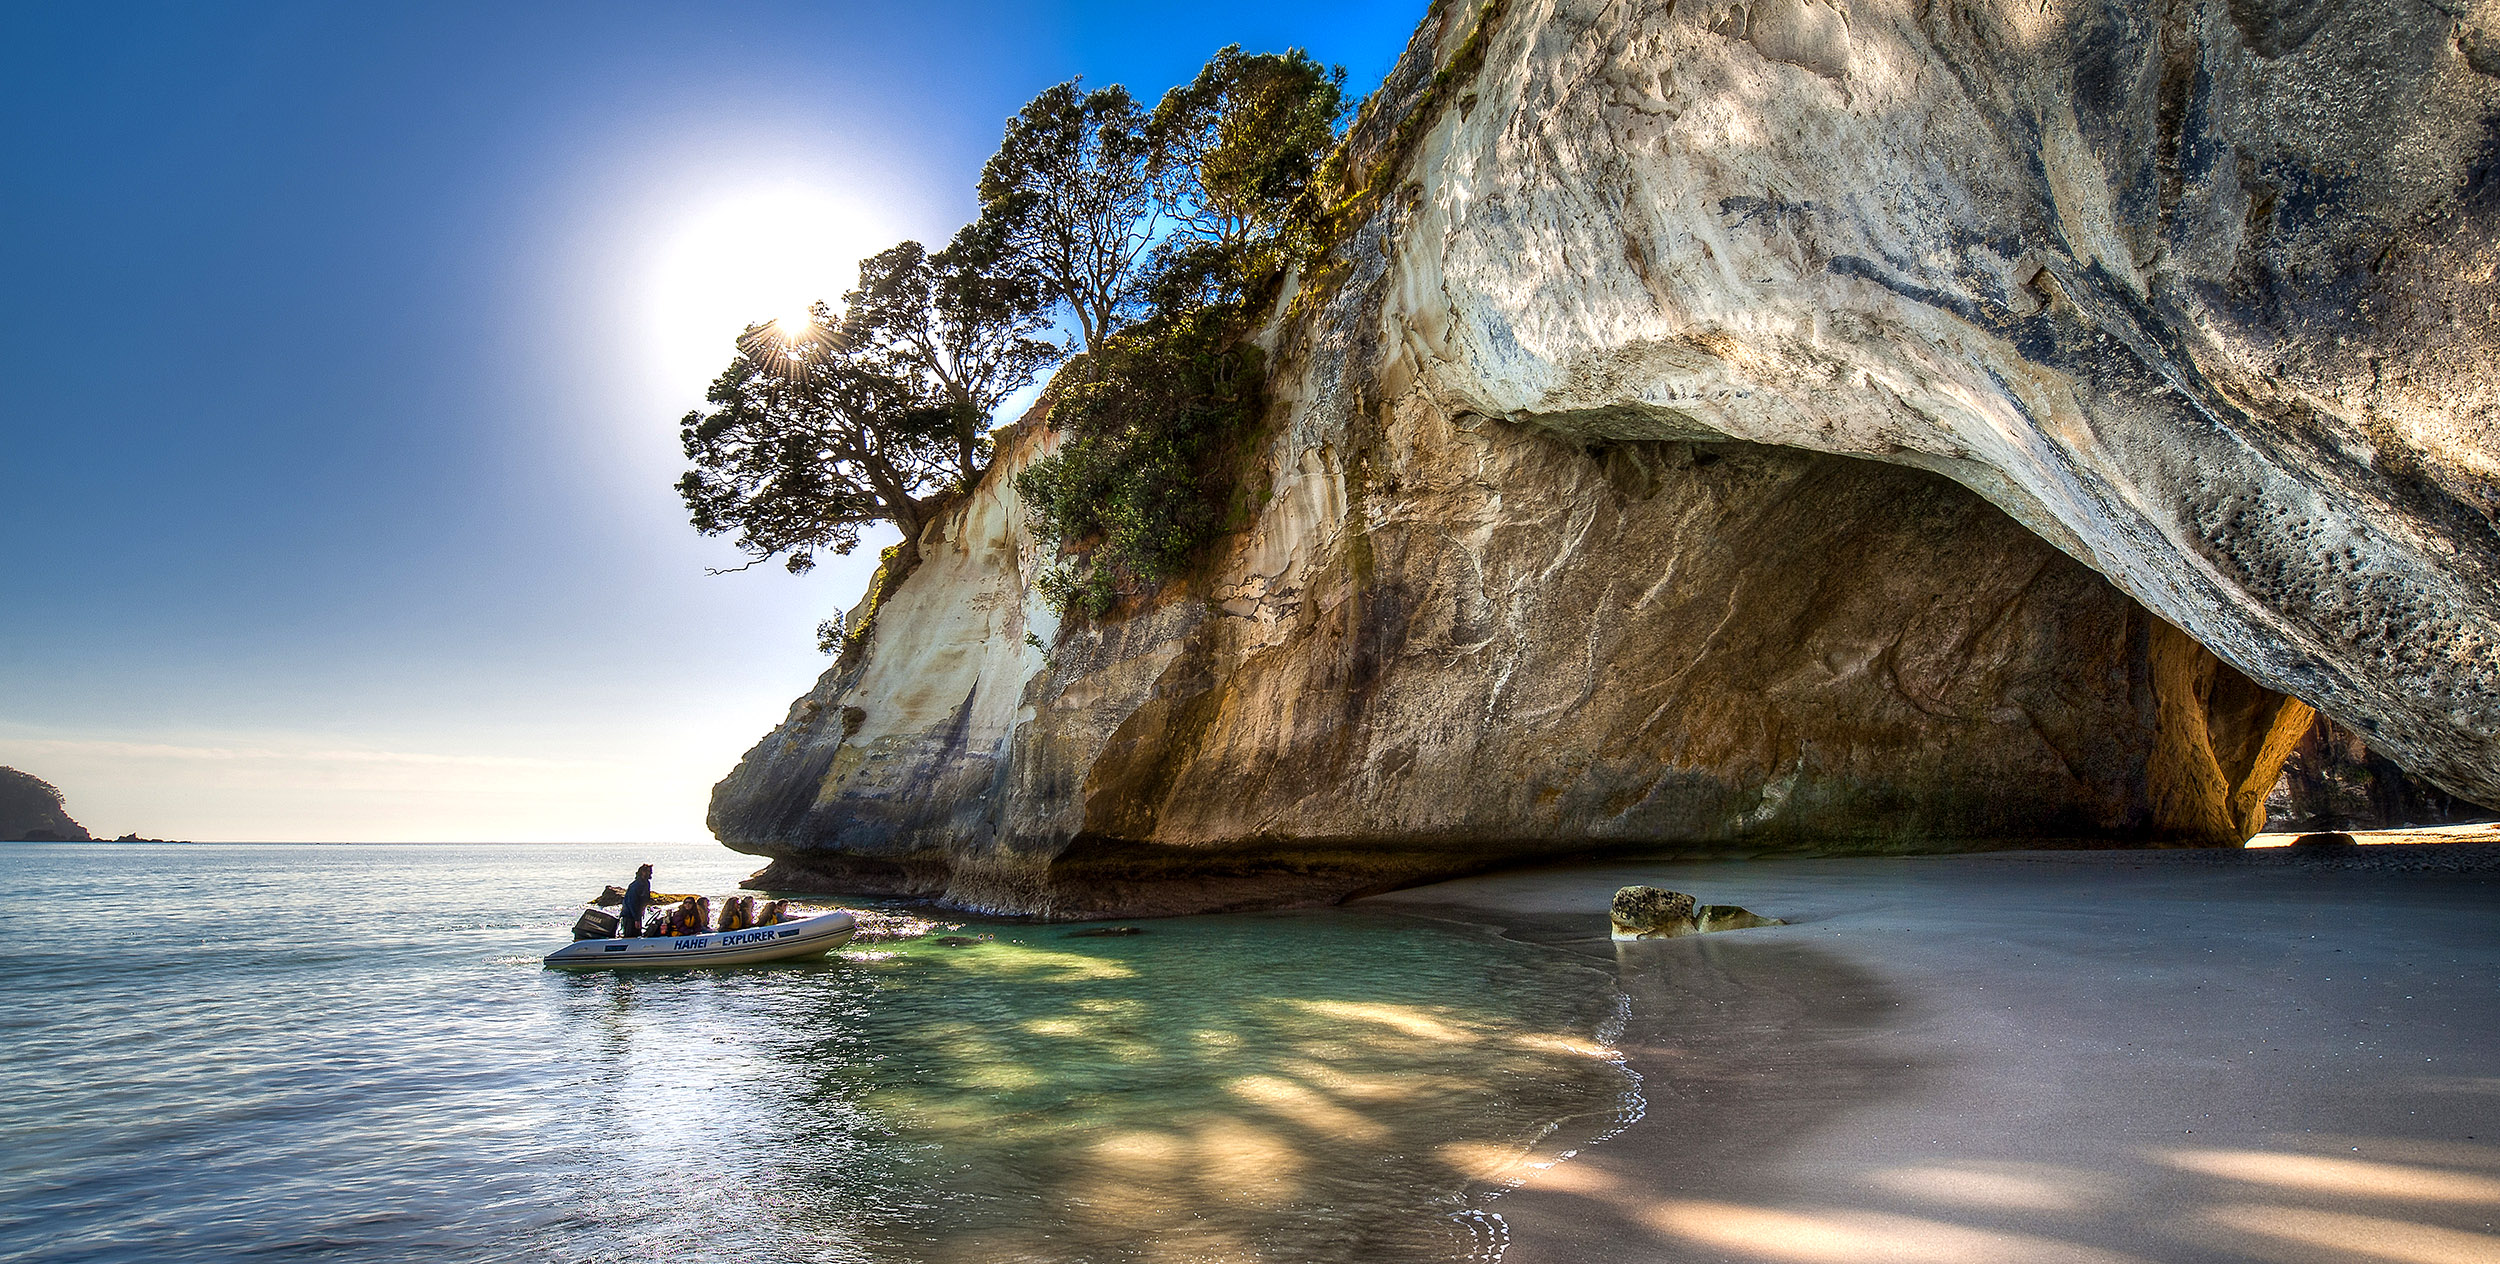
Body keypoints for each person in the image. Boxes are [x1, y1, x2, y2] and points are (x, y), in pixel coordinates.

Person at [618, 864, 653, 939]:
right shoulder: (636, 885)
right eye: (649, 872)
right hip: (629, 915)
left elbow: (645, 899)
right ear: (643, 872)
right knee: (631, 936)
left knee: (638, 934)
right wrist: (636, 919)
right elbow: (632, 903)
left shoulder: (646, 883)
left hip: (637, 914)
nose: (650, 874)